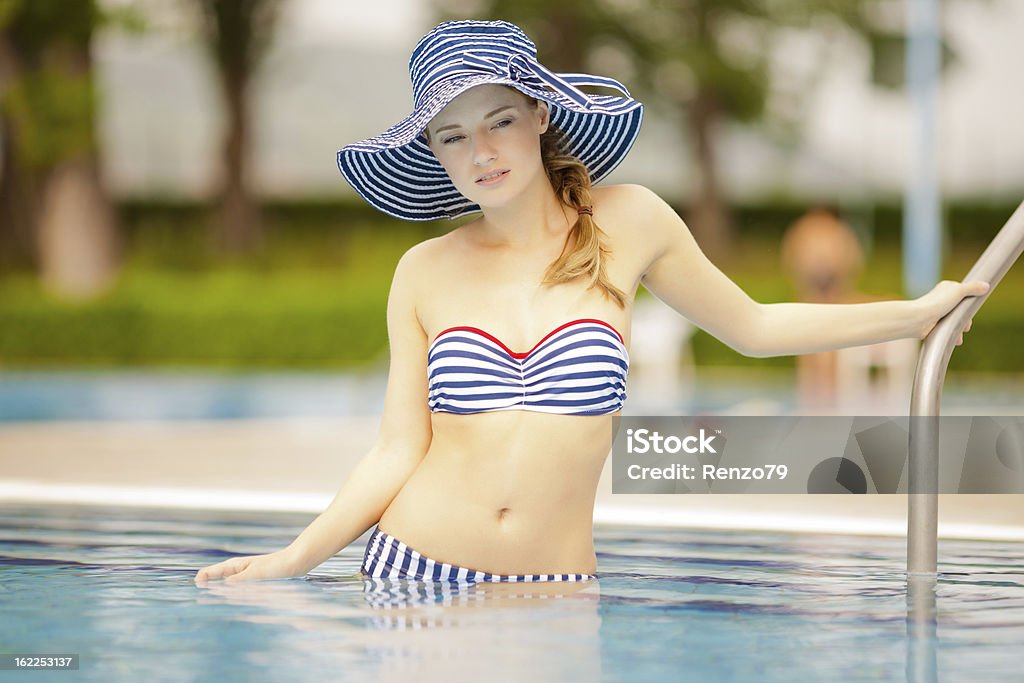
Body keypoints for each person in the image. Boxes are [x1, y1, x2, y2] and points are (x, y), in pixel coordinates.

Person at [194, 20, 987, 585]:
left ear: (540, 116)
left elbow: (756, 326)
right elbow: (396, 452)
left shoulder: (631, 220)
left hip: (554, 590)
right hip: (415, 573)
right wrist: (293, 558)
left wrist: (915, 315)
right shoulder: (423, 272)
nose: (482, 152)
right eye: (453, 135)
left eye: (500, 121)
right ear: (435, 153)